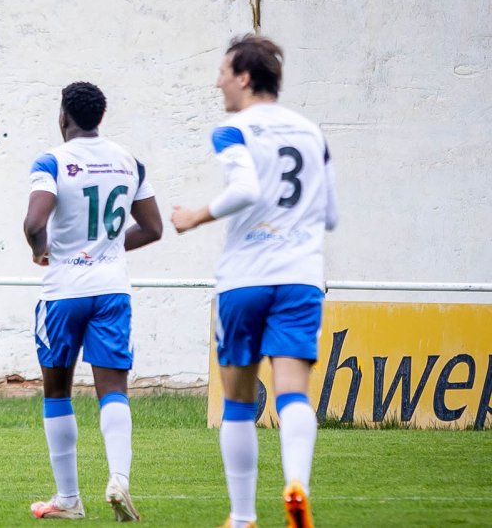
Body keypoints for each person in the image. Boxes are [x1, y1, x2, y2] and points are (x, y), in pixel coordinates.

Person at [171, 35, 338, 528]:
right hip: (301, 278)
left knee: (239, 401)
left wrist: (196, 215)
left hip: (246, 277)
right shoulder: (312, 133)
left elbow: (246, 189)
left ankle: (243, 517)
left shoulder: (233, 130)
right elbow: (329, 213)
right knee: (293, 393)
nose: (217, 80)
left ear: (244, 77)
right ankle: (297, 487)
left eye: (223, 71)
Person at [22, 81, 163, 521]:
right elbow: (154, 228)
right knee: (113, 390)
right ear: (99, 116)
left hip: (64, 290)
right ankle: (118, 478)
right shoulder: (129, 161)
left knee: (57, 390)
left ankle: (68, 498)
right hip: (111, 289)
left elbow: (33, 222)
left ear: (64, 115)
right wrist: (110, 248)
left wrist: (40, 249)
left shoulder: (52, 162)